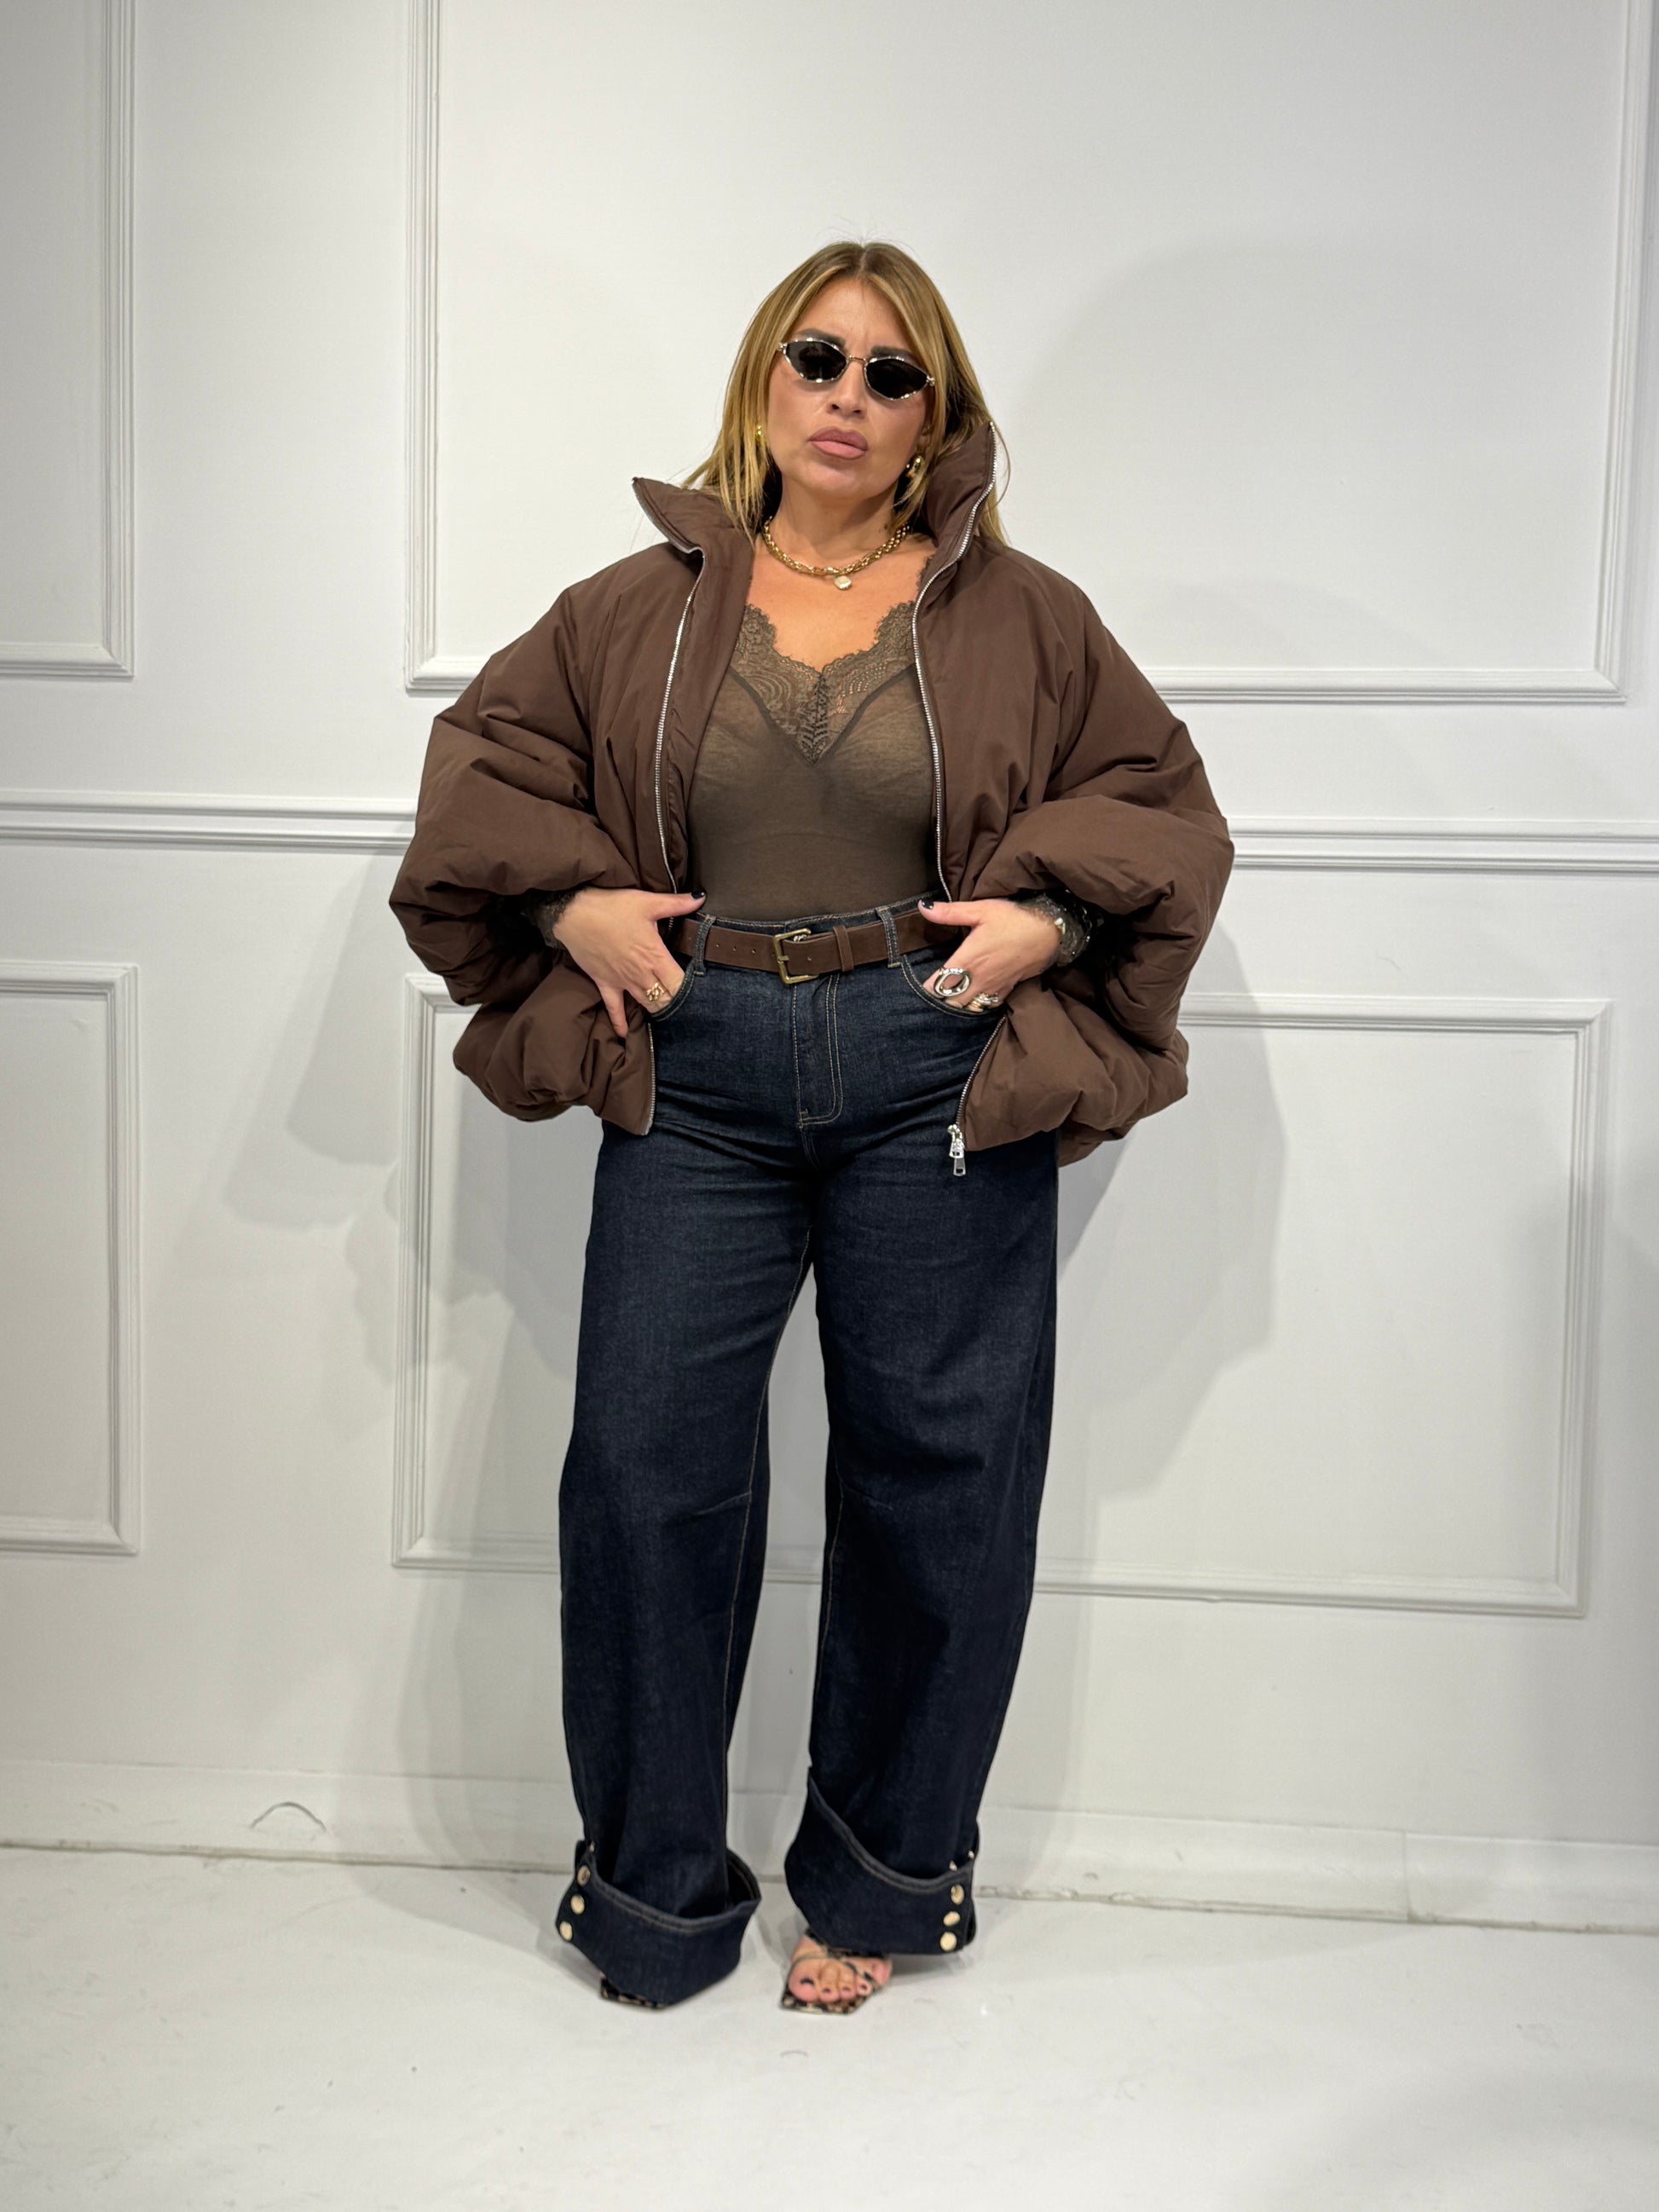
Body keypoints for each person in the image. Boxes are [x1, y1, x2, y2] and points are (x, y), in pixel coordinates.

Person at [390, 239, 1234, 2013]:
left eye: (890, 372)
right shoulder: (630, 608)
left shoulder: (1022, 615)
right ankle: (653, 1893)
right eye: (818, 358)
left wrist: (1049, 923)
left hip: (932, 1060)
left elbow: (1159, 804)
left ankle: (884, 1875)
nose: (848, 397)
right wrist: (567, 906)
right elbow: (487, 775)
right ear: (764, 380)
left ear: (936, 414)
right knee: (645, 1469)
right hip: (695, 1066)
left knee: (940, 1471)